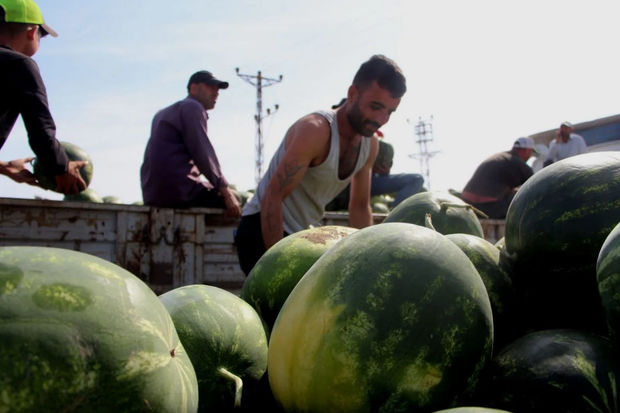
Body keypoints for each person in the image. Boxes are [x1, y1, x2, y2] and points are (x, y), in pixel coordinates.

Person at [235, 54, 407, 275]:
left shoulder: (370, 145)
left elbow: (360, 207)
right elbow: (273, 196)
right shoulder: (316, 131)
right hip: (261, 227)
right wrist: (276, 266)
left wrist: (366, 260)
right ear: (352, 94)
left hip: (302, 235)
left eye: (390, 112)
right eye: (375, 107)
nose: (382, 119)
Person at [0, 0, 87, 194]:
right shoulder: (20, 65)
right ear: (31, 32)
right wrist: (62, 167)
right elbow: (41, 132)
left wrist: (3, 166)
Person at [140, 70, 241, 217]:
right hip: (180, 192)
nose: (216, 92)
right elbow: (203, 154)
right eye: (211, 86)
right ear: (193, 88)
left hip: (152, 195)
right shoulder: (192, 107)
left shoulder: (162, 113)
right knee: (235, 200)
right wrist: (226, 192)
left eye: (218, 89)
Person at [326, 126, 424, 211]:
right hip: (347, 184)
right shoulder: (338, 138)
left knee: (416, 179)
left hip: (371, 181)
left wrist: (384, 172)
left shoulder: (384, 147)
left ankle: (394, 216)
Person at [459, 137, 535, 219]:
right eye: (531, 152)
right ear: (527, 150)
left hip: (466, 205)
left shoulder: (498, 156)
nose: (530, 156)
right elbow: (535, 187)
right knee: (525, 196)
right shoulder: (520, 165)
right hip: (488, 208)